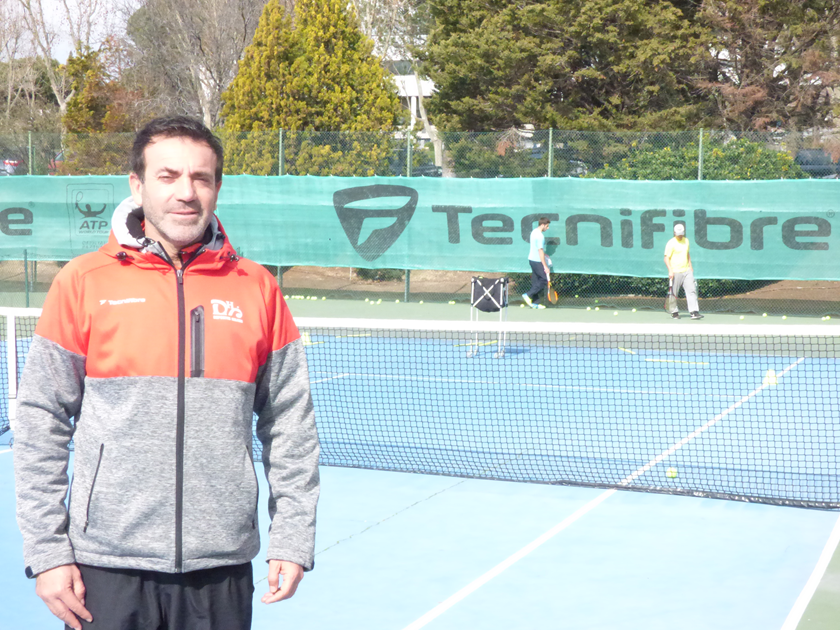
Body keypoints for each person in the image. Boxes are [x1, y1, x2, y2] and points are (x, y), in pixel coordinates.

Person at [14, 116, 320, 630]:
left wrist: (291, 537)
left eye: (201, 177)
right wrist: (47, 552)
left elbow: (291, 424)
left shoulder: (258, 289)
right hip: (105, 567)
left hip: (219, 569)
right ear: (137, 185)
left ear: (217, 187)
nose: (186, 192)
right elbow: (41, 419)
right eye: (168, 175)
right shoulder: (82, 282)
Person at [664, 223, 703, 320]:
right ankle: (674, 312)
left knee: (692, 291)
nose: (680, 236)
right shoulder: (671, 243)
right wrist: (670, 270)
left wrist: (690, 266)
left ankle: (694, 312)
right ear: (674, 233)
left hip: (687, 271)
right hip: (675, 271)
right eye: (678, 234)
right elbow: (666, 258)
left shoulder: (686, 241)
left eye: (681, 234)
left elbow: (687, 254)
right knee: (673, 293)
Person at [522, 217, 551, 310]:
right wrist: (545, 266)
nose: (548, 228)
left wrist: (544, 255)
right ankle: (528, 294)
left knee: (536, 281)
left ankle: (535, 303)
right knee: (543, 280)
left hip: (531, 260)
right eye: (547, 226)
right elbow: (540, 251)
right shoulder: (540, 236)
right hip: (537, 261)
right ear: (542, 225)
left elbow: (536, 248)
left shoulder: (534, 232)